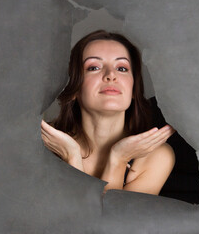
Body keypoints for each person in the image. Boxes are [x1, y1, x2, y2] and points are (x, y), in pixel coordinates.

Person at [41, 30, 176, 196]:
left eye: (121, 68)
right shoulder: (42, 145)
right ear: (75, 87)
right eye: (94, 67)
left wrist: (118, 159)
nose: (111, 75)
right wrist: (71, 155)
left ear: (133, 89)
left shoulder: (156, 156)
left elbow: (114, 221)